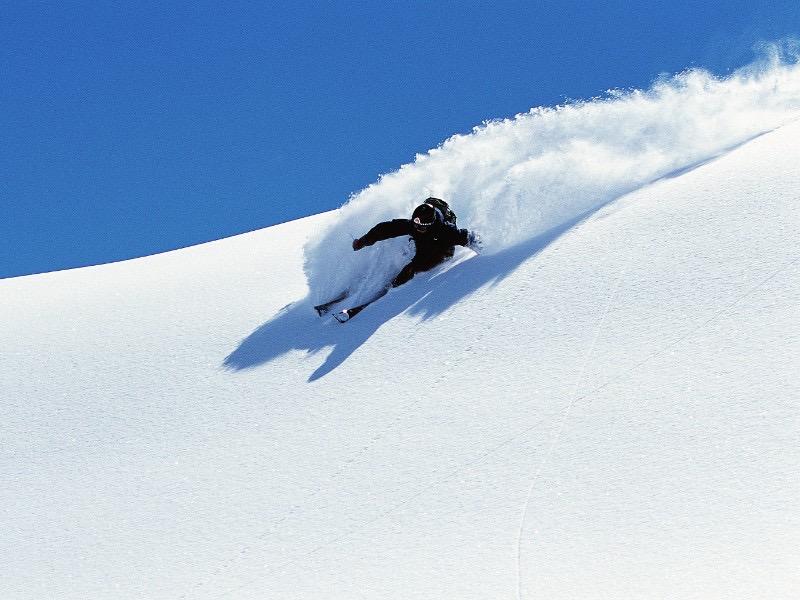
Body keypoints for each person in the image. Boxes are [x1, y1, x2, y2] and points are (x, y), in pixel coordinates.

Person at [352, 199, 480, 288]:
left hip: (441, 250)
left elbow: (468, 237)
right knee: (409, 249)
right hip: (423, 245)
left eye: (421, 227)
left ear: (430, 225)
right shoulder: (413, 226)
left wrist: (488, 253)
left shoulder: (446, 231)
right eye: (415, 224)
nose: (417, 229)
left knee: (416, 267)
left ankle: (395, 288)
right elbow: (384, 229)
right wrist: (363, 241)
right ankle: (398, 279)